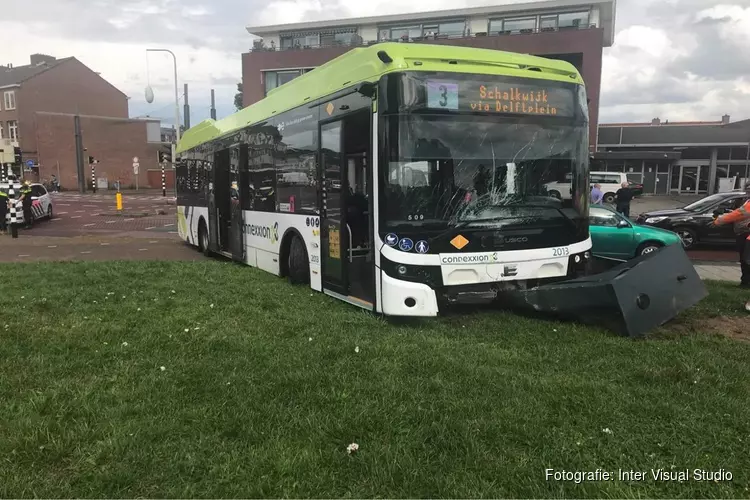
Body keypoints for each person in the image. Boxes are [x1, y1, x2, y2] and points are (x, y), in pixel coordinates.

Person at [712, 183, 750, 290]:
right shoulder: (746, 201)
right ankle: (745, 282)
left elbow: (739, 214)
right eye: (747, 189)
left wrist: (718, 221)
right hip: (743, 233)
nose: (748, 192)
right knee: (744, 260)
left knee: (746, 260)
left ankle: (746, 282)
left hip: (746, 234)